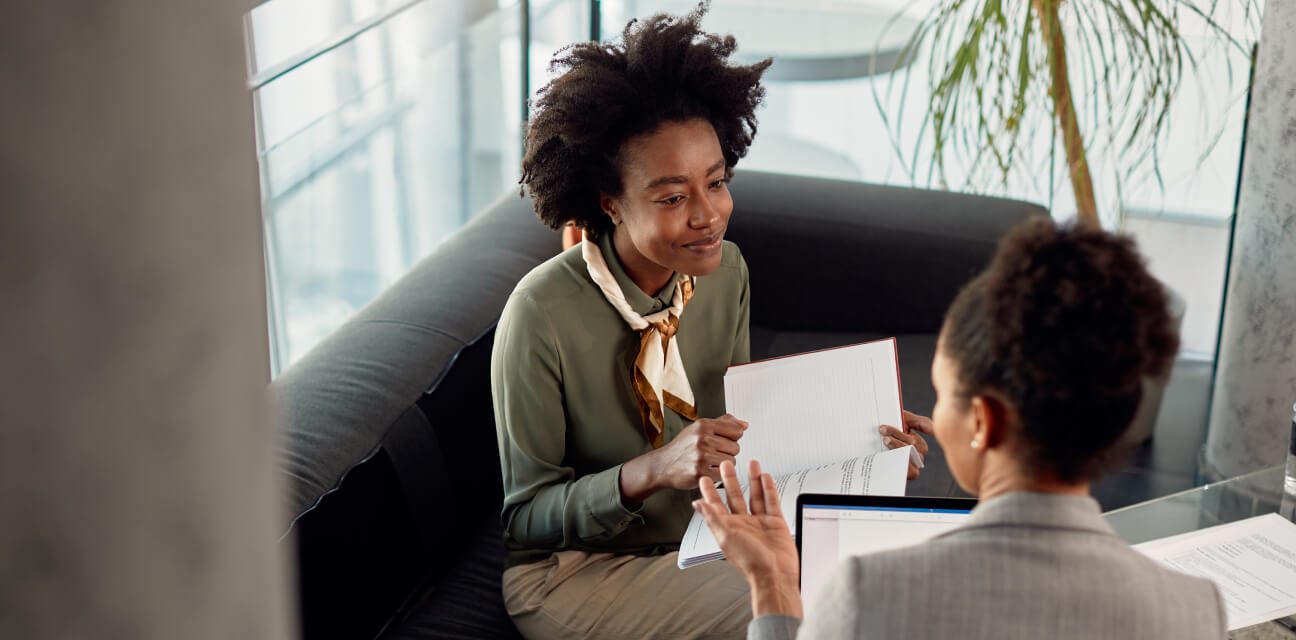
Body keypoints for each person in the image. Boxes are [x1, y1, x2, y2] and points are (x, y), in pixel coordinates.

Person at [492, 6, 929, 638]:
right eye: (672, 197)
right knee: (838, 603)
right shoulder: (540, 315)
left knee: (892, 569)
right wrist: (652, 470)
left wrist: (865, 443)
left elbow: (748, 435)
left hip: (706, 534)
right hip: (577, 570)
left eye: (716, 182)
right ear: (609, 203)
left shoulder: (725, 273)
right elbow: (524, 519)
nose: (709, 215)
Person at [695, 219, 1227, 640]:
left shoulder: (867, 594)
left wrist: (774, 588)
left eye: (944, 394)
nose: (935, 418)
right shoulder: (1194, 612)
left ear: (984, 421)